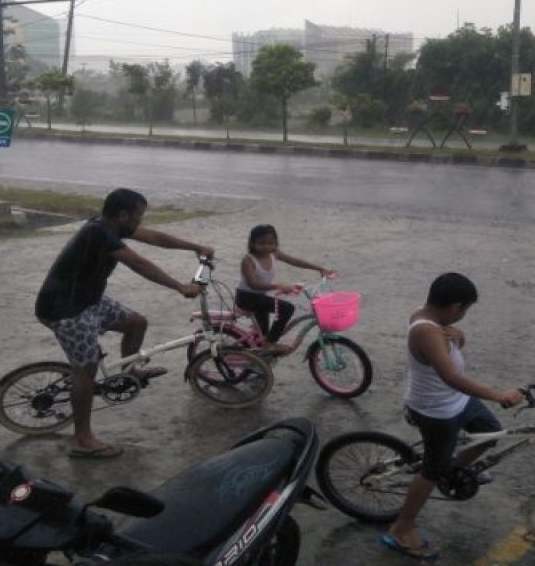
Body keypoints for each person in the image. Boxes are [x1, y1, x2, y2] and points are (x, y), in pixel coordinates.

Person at [35, 188, 213, 459]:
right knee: (87, 370)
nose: (140, 222)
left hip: (89, 299)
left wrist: (194, 247)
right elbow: (138, 263)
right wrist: (179, 286)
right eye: (139, 216)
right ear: (123, 215)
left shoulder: (110, 226)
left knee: (136, 323)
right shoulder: (99, 233)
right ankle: (82, 439)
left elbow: (153, 237)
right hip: (65, 309)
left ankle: (129, 372)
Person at [381, 272, 524, 561]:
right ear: (455, 306)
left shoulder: (434, 320)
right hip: (436, 411)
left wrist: (459, 335)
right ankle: (401, 528)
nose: (464, 315)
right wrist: (498, 395)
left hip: (457, 402)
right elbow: (450, 377)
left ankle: (451, 472)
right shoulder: (426, 330)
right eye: (465, 310)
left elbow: (452, 350)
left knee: (490, 432)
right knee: (431, 470)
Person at [235, 224, 332, 355]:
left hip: (260, 297)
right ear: (252, 243)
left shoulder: (274, 254)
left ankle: (260, 357)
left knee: (263, 335)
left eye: (270, 243)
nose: (266, 247)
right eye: (261, 243)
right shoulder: (248, 260)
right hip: (247, 298)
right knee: (287, 308)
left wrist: (320, 268)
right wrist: (278, 286)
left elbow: (296, 261)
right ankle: (270, 344)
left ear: (275, 243)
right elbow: (253, 284)